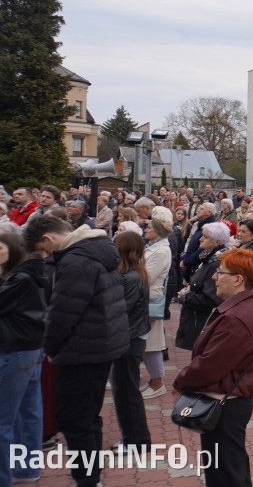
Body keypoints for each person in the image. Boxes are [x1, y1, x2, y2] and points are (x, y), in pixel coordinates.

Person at [31, 216, 128, 487]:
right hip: (99, 345)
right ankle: (90, 476)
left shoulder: (77, 259)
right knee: (86, 418)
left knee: (74, 420)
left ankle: (86, 480)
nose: (48, 256)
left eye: (44, 249)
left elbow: (64, 312)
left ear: (48, 238)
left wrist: (49, 347)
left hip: (83, 349)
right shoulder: (94, 249)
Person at [173, 249, 253, 487]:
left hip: (227, 402)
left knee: (226, 470)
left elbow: (209, 366)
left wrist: (181, 381)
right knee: (228, 464)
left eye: (219, 272)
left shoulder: (236, 317)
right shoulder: (242, 306)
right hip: (230, 398)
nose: (214, 277)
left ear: (238, 279)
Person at [0, 233, 47, 486]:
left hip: (15, 349)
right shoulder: (26, 274)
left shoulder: (20, 278)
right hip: (29, 347)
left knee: (5, 418)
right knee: (27, 411)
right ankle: (26, 469)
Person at [109, 231, 152, 450]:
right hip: (129, 336)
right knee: (123, 389)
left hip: (130, 338)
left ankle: (137, 440)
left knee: (127, 391)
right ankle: (133, 438)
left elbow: (121, 308)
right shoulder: (129, 273)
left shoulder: (133, 276)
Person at [176, 221, 231, 351]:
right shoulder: (208, 257)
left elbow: (212, 298)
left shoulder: (216, 262)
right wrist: (189, 289)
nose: (200, 239)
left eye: (205, 237)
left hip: (203, 322)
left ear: (217, 242)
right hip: (198, 319)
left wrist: (185, 297)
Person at [140, 207, 173, 399]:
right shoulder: (153, 247)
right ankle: (154, 380)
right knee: (148, 343)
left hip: (151, 299)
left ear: (158, 231)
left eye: (149, 228)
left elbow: (147, 276)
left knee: (152, 343)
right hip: (145, 297)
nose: (145, 230)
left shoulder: (161, 250)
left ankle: (158, 382)